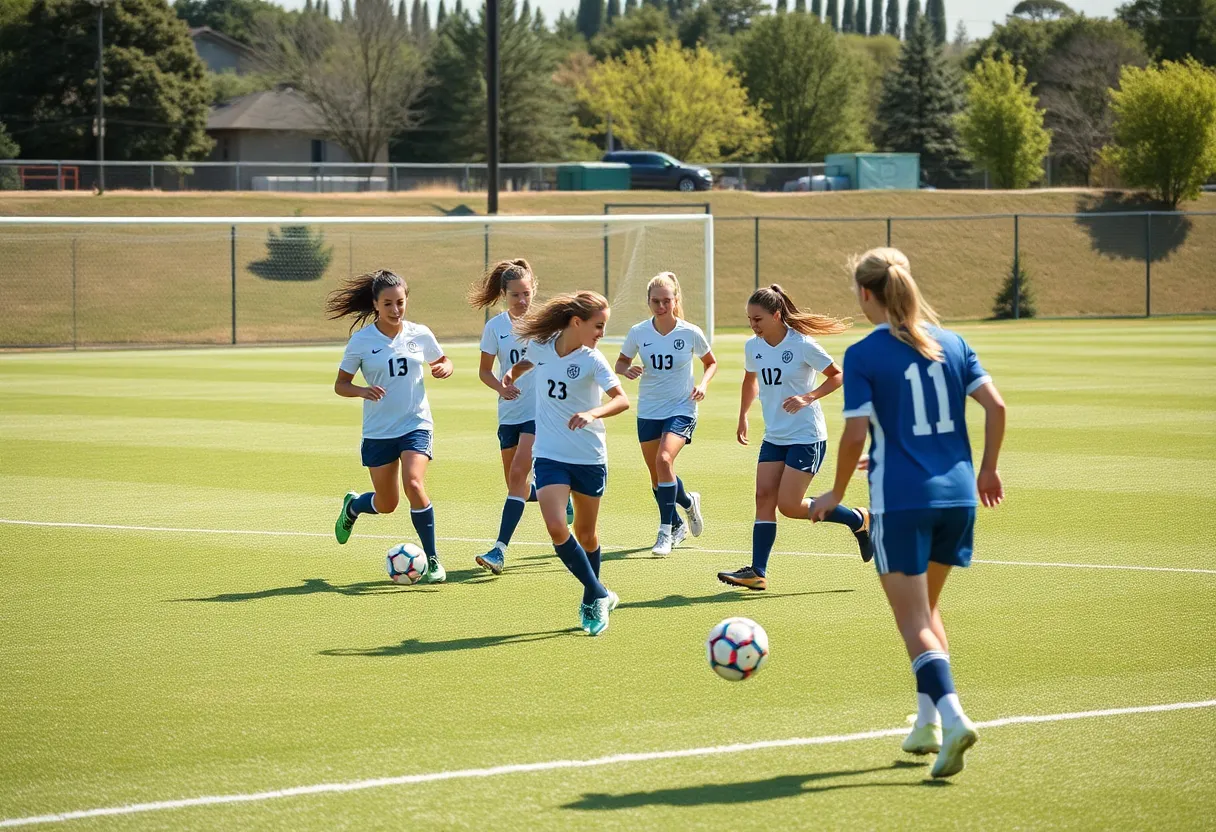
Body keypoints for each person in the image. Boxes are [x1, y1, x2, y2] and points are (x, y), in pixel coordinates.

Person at [810, 247, 1006, 779]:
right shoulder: (953, 342)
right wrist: (988, 470)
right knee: (929, 612)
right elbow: (996, 407)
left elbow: (853, 433)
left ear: (865, 293)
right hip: (960, 497)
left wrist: (833, 492)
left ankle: (954, 715)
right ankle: (927, 723)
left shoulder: (866, 353)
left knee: (913, 621)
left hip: (900, 500)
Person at [718, 285, 872, 592]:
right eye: (750, 319)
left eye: (759, 319)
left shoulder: (802, 344)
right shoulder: (753, 346)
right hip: (775, 434)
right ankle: (757, 572)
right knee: (764, 497)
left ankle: (859, 519)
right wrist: (743, 415)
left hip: (806, 436)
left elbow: (838, 375)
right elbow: (751, 380)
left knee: (788, 506)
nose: (753, 325)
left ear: (777, 315)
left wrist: (809, 396)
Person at [502, 291, 629, 636]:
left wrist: (592, 412)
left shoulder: (593, 360)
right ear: (577, 322)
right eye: (598, 325)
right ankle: (600, 594)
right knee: (558, 527)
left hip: (588, 456)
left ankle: (592, 595)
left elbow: (622, 400)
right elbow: (526, 362)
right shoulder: (543, 346)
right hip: (549, 455)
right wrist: (511, 375)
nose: (602, 332)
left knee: (587, 535)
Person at [327, 269, 454, 583]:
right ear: (375, 305)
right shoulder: (361, 341)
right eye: (388, 304)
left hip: (416, 424)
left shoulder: (420, 334)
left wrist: (443, 367)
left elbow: (444, 359)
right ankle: (354, 506)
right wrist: (361, 390)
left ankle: (434, 560)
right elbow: (341, 385)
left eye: (400, 302)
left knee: (414, 484)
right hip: (379, 431)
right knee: (387, 504)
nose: (396, 310)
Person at [468, 259, 572, 575]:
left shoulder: (545, 325)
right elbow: (485, 372)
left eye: (526, 294)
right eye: (515, 295)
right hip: (508, 413)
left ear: (533, 291)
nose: (522, 301)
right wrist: (501, 386)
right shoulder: (495, 328)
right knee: (516, 485)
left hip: (539, 413)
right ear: (504, 295)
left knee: (517, 477)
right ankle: (559, 495)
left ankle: (499, 550)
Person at [615, 272, 717, 556]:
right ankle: (685, 506)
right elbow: (620, 363)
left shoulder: (690, 332)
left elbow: (710, 363)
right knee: (657, 475)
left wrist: (704, 384)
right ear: (648, 302)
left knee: (663, 459)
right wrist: (627, 369)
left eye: (666, 301)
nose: (661, 306)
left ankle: (665, 532)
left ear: (675, 300)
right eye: (655, 301)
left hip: (681, 407)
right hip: (649, 408)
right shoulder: (638, 332)